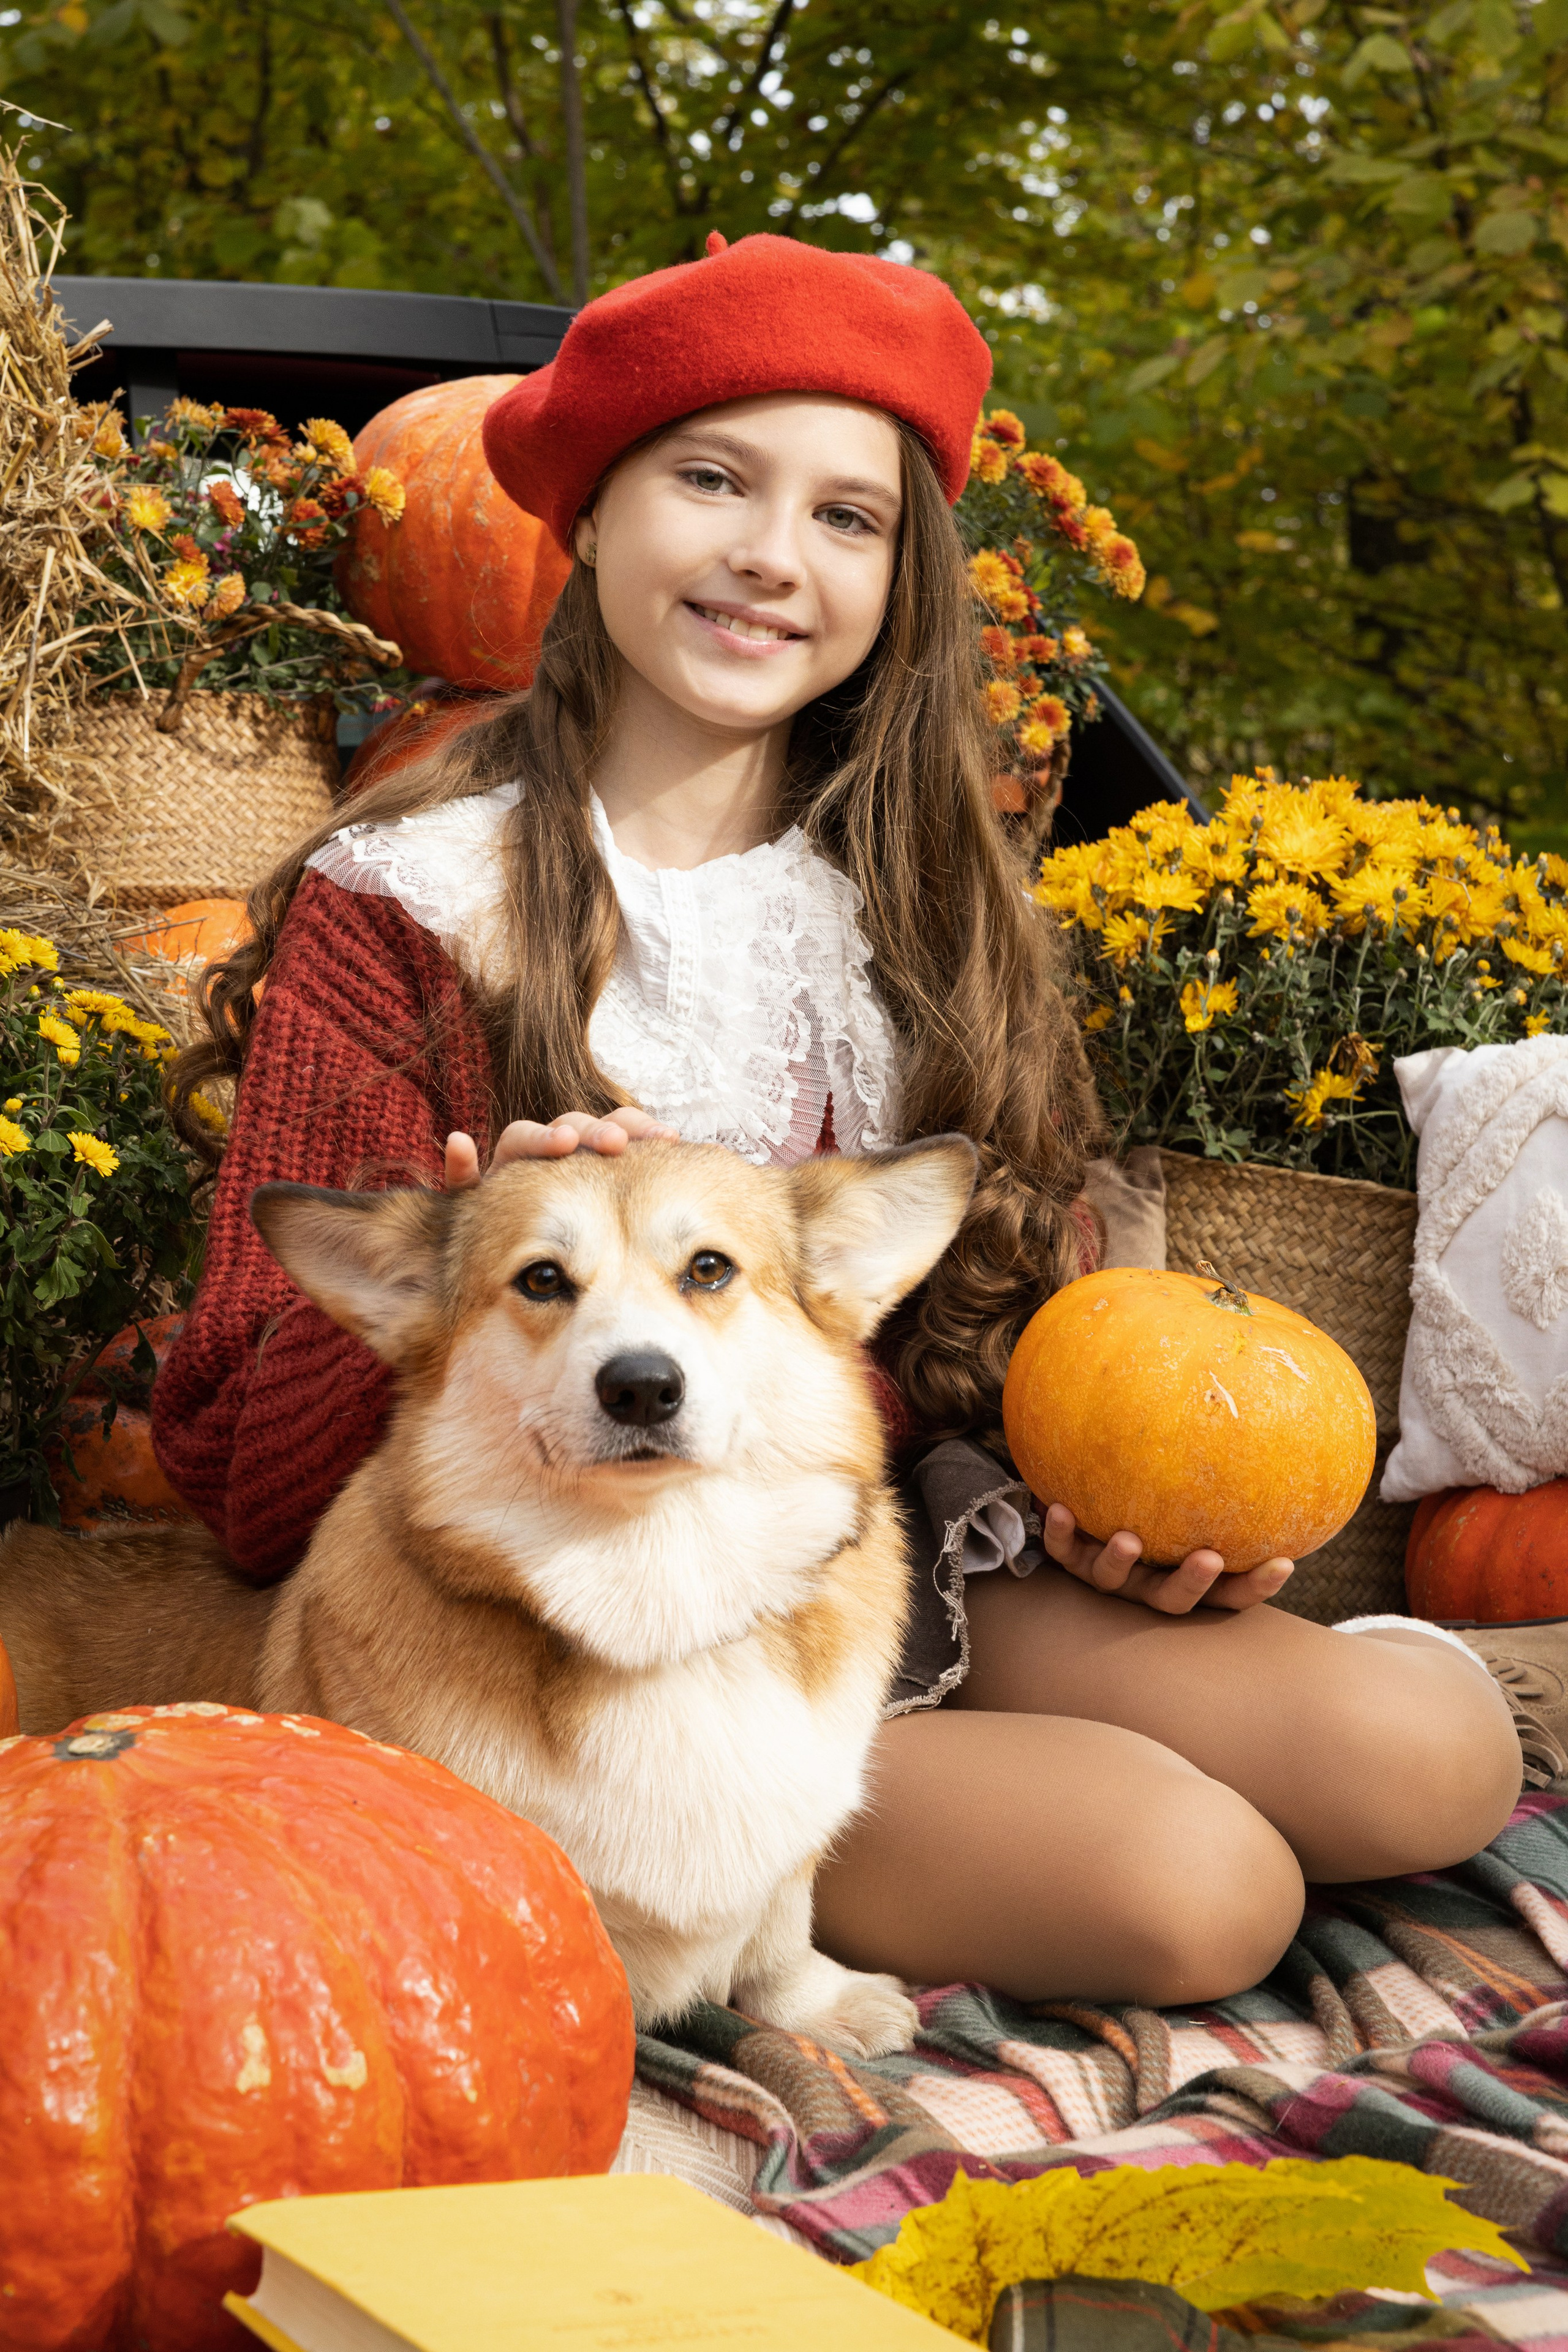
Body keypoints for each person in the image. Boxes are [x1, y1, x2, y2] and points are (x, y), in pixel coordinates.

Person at [156, 233, 1523, 2012]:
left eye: (846, 516)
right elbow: (249, 1480)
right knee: (1203, 1893)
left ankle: (1005, 1761)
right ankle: (740, 1875)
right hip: (588, 1625)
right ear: (594, 515)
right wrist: (478, 1281)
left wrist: (1128, 1502)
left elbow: (1002, 1330)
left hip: (896, 1552)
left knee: (1432, 1758)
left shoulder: (924, 908)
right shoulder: (413, 903)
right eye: (713, 481)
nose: (770, 555)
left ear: (900, 578)